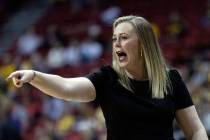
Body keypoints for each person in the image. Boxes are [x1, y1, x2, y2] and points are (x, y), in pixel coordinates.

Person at [7, 15, 208, 140]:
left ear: (144, 44)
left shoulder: (170, 79)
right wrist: (34, 75)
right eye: (114, 39)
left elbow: (195, 130)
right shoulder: (107, 79)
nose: (116, 44)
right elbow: (66, 87)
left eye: (124, 38)